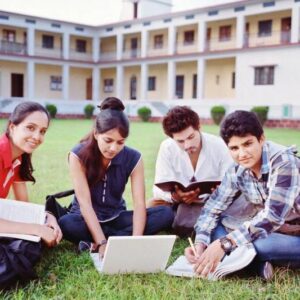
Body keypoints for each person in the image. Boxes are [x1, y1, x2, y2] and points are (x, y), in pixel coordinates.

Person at [185, 110, 300, 280]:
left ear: (261, 139)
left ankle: (247, 263)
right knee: (217, 227)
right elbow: (212, 208)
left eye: (247, 144)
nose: (242, 154)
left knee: (252, 243)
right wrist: (200, 243)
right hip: (272, 233)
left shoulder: (284, 163)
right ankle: (258, 266)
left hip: (293, 234)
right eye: (234, 148)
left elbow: (272, 217)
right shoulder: (236, 170)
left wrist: (225, 243)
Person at [59, 97, 174, 257]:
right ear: (96, 133)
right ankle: (107, 240)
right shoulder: (78, 155)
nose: (113, 148)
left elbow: (140, 203)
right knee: (66, 223)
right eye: (108, 140)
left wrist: (136, 240)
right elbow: (85, 204)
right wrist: (102, 243)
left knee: (165, 214)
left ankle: (95, 243)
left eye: (120, 142)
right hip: (84, 218)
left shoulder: (134, 158)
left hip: (116, 216)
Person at [149, 106, 232, 236]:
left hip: (211, 202)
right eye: (180, 141)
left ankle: (183, 223)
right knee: (151, 206)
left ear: (199, 127)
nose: (187, 145)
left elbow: (230, 184)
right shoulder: (167, 147)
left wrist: (216, 193)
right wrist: (175, 196)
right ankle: (181, 220)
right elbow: (158, 189)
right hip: (176, 202)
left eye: (191, 137)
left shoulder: (219, 145)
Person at [0, 101, 62, 246]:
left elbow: (23, 205)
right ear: (12, 127)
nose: (36, 136)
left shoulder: (18, 157)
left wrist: (47, 217)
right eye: (30, 128)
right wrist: (36, 229)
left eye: (42, 131)